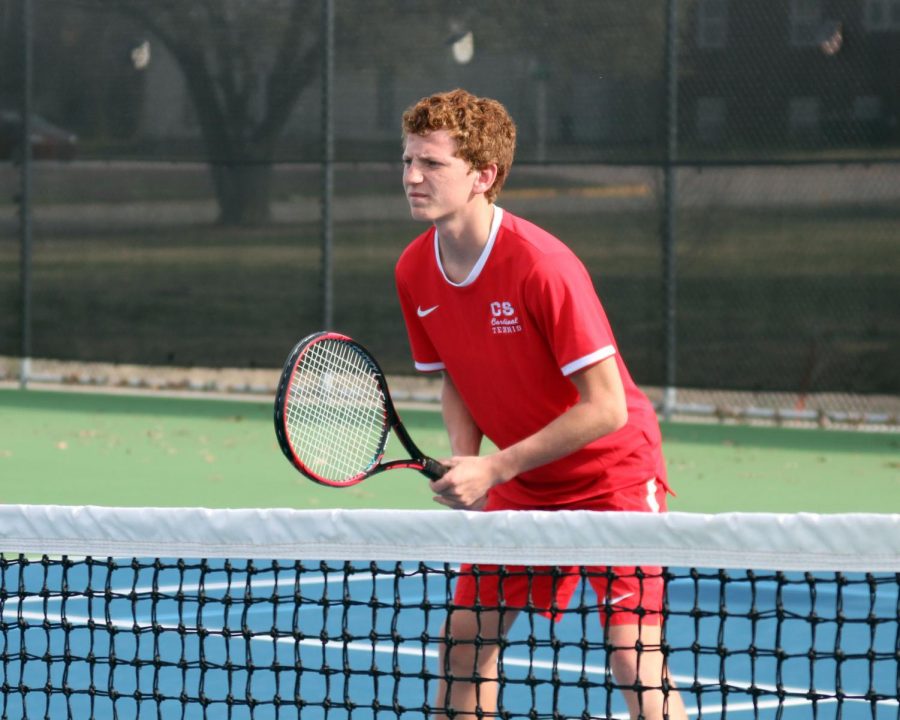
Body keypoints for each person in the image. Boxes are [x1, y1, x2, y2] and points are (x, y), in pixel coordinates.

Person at [394, 88, 687, 720]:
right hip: (523, 477)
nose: (412, 176)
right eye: (408, 159)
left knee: (633, 656)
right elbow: (456, 378)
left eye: (433, 163)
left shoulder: (541, 265)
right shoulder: (414, 270)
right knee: (466, 644)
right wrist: (465, 463)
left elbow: (606, 407)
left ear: (483, 175)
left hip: (611, 471)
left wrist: (494, 469)